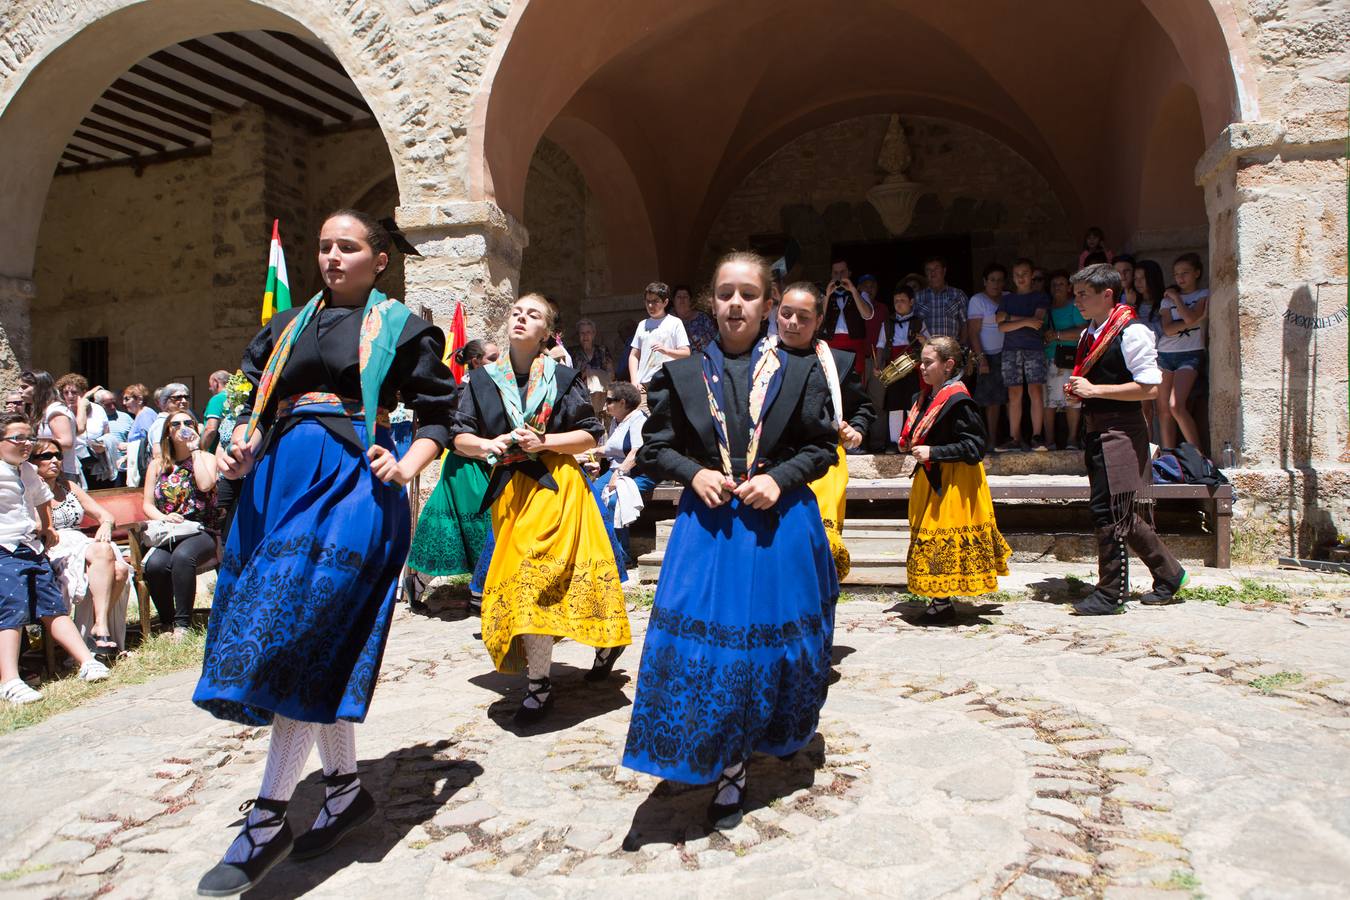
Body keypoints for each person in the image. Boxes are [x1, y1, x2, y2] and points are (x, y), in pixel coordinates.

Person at [191, 210, 457, 896]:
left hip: (355, 489)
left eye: (349, 247)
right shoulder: (283, 327)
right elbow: (242, 400)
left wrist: (409, 465)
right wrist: (233, 440)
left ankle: (269, 818)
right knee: (318, 642)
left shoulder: (402, 329)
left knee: (299, 633)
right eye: (325, 246)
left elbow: (438, 417)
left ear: (379, 261)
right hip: (278, 485)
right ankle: (342, 790)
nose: (332, 257)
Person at [623, 251, 838, 826]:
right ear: (710, 303)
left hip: (779, 522)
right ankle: (724, 761)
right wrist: (693, 472)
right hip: (710, 524)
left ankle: (760, 741)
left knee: (771, 645)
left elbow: (820, 448)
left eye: (748, 294)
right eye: (724, 293)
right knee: (711, 647)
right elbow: (655, 447)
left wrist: (778, 477)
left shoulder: (801, 371)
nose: (735, 303)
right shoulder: (681, 374)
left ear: (769, 305)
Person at [453, 292, 630, 723]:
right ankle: (593, 648)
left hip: (557, 487)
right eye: (516, 312)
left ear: (546, 331)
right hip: (511, 492)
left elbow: (590, 436)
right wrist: (485, 445)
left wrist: (545, 441)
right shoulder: (481, 380)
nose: (520, 318)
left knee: (542, 580)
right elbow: (459, 435)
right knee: (525, 583)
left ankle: (539, 685)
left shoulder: (564, 377)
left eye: (532, 315)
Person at [1066, 264, 1187, 616]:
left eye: (1083, 295)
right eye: (1075, 295)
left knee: (1110, 511)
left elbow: (1150, 388)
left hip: (1120, 430)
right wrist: (1083, 393)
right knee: (1120, 512)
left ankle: (1110, 594)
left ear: (1107, 295)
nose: (1078, 302)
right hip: (1097, 427)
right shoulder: (1094, 331)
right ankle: (1170, 574)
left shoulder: (1132, 332)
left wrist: (1095, 389)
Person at [0, 413, 109, 705]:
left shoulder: (27, 471)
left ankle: (86, 661)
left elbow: (41, 498)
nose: (25, 444)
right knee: (11, 610)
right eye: (17, 438)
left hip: (29, 547)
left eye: (29, 438)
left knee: (53, 606)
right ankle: (9, 679)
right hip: (3, 547)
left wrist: (47, 527)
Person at [900, 337, 1011, 623]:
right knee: (930, 536)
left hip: (955, 480)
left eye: (928, 363)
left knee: (940, 538)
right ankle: (940, 600)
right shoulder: (922, 398)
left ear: (948, 365)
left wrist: (933, 451)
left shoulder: (959, 400)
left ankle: (941, 602)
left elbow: (974, 447)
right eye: (921, 362)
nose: (921, 368)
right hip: (932, 476)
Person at [777, 280, 875, 579]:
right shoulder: (757, 360)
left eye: (803, 317)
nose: (792, 323)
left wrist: (856, 430)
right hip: (773, 464)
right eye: (786, 313)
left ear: (819, 320)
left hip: (824, 465)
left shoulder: (838, 363)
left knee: (817, 542)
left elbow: (862, 407)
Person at [405, 340, 497, 597]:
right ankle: (481, 589)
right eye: (493, 358)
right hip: (466, 468)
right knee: (476, 526)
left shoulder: (494, 390)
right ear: (477, 361)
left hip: (484, 465)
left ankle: (421, 582)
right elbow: (452, 437)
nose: (498, 363)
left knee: (458, 527)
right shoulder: (461, 392)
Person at [30, 437, 130, 659]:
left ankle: (98, 627)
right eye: (47, 456)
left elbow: (106, 515)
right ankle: (97, 632)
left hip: (80, 543)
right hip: (53, 548)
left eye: (58, 455)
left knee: (120, 569)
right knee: (108, 557)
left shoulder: (69, 486)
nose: (54, 460)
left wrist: (105, 524)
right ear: (33, 461)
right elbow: (37, 528)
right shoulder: (29, 490)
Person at [141, 410, 217, 640]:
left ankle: (183, 624)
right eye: (176, 424)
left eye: (188, 422)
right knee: (155, 564)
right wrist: (163, 517)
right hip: (170, 531)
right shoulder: (157, 465)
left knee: (183, 558)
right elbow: (147, 505)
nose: (182, 426)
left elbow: (205, 486)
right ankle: (167, 622)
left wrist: (195, 449)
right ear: (168, 432)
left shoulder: (206, 457)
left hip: (200, 529)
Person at [588, 381, 654, 572]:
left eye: (609, 400)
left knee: (614, 501)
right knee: (589, 496)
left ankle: (622, 558)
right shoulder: (617, 422)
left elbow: (636, 452)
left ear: (623, 402)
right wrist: (589, 455)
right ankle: (600, 551)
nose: (604, 405)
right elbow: (609, 450)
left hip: (637, 473)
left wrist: (618, 474)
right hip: (616, 471)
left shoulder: (637, 420)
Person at [997, 259, 1050, 451]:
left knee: (1035, 390)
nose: (1020, 278)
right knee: (1014, 393)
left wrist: (1012, 319)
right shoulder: (1007, 299)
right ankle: (1014, 437)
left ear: (1031, 274)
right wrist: (1026, 321)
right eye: (1017, 274)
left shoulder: (1040, 296)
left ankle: (1037, 435)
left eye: (1024, 273)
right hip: (1010, 350)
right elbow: (1000, 324)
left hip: (1033, 348)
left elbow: (1037, 321)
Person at [1156, 253, 1208, 449]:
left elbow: (1190, 319)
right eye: (1176, 274)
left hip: (1191, 352)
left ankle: (1200, 458)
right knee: (1163, 410)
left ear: (1197, 273)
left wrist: (1177, 298)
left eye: (1185, 273)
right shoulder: (1165, 301)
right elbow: (1167, 329)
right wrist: (1187, 319)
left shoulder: (1203, 294)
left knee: (1176, 405)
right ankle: (1168, 458)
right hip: (1165, 354)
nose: (1180, 278)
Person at [875, 283, 927, 451]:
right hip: (893, 366)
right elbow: (881, 345)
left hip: (913, 367)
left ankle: (912, 441)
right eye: (896, 300)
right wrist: (878, 364)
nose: (898, 303)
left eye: (903, 300)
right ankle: (894, 443)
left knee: (912, 404)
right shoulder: (887, 323)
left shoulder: (920, 322)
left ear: (911, 302)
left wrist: (923, 341)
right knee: (894, 404)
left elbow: (929, 344)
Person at [1043, 270, 1087, 451]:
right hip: (1049, 358)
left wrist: (1058, 335)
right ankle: (1049, 441)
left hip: (1070, 359)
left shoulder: (1073, 308)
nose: (1057, 288)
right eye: (1054, 284)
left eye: (1061, 284)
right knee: (1049, 401)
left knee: (1072, 399)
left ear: (1069, 287)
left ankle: (1072, 439)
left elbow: (1083, 331)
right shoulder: (1046, 309)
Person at [966, 263, 1008, 450]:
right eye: (992, 280)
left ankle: (1011, 437)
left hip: (1008, 353)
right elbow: (973, 332)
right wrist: (980, 358)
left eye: (1000, 280)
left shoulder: (1009, 298)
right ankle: (991, 440)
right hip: (988, 356)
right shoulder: (977, 300)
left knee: (1009, 398)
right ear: (984, 281)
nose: (996, 284)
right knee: (991, 401)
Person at [629, 282, 691, 394]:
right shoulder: (642, 325)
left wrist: (666, 350)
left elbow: (686, 353)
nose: (650, 306)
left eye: (655, 301)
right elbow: (634, 355)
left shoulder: (675, 323)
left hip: (667, 382)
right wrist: (634, 380)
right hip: (644, 384)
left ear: (665, 302)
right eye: (648, 301)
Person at [21, 370, 79, 486]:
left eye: (24, 387)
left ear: (39, 387)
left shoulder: (55, 411)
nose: (20, 391)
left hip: (60, 473)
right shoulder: (45, 410)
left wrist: (31, 443)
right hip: (47, 472)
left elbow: (66, 442)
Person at [820, 258, 874, 378]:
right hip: (831, 344)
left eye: (843, 272)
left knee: (855, 385)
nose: (839, 276)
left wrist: (853, 290)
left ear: (849, 273)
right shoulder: (824, 294)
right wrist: (827, 295)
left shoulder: (861, 293)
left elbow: (867, 315)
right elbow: (818, 319)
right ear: (831, 274)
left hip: (854, 344)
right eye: (835, 273)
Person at [1132, 260, 1167, 438]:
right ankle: (1149, 446)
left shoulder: (1164, 302)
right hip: (1141, 360)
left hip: (1162, 358)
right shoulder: (1133, 304)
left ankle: (1165, 448)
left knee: (1163, 408)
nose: (1138, 282)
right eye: (1135, 278)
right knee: (1144, 408)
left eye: (1143, 278)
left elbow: (1161, 330)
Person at [914, 256, 968, 342]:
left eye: (936, 268)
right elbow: (911, 325)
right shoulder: (917, 297)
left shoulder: (958, 294)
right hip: (925, 350)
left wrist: (961, 348)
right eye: (928, 270)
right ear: (925, 274)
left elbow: (965, 324)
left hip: (951, 351)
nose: (932, 272)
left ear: (944, 271)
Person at [89, 390, 133, 487]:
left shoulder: (126, 417)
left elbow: (133, 440)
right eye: (108, 405)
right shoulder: (93, 421)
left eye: (114, 403)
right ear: (98, 404)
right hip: (103, 470)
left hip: (124, 467)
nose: (113, 407)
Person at [574, 319, 614, 419]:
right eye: (582, 333)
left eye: (588, 332)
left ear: (594, 334)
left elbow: (611, 374)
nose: (585, 336)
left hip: (602, 396)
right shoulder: (573, 352)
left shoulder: (602, 350)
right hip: (581, 397)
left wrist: (595, 375)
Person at [148, 383, 193, 459]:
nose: (184, 400)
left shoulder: (186, 420)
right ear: (165, 401)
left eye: (186, 397)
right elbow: (158, 454)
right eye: (177, 397)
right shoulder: (162, 423)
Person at [673, 283, 717, 353]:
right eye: (679, 297)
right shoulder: (670, 322)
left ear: (690, 300)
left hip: (707, 358)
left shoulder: (702, 317)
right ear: (674, 300)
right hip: (684, 361)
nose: (682, 299)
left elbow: (715, 337)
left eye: (685, 296)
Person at [201, 370, 232, 453]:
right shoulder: (236, 397)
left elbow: (211, 429)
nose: (210, 389)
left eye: (210, 385)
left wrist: (201, 450)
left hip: (216, 453)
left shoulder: (217, 399)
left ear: (215, 382)